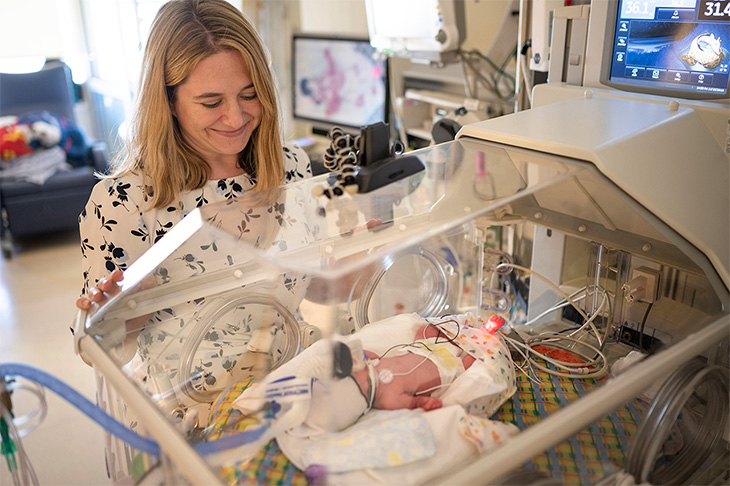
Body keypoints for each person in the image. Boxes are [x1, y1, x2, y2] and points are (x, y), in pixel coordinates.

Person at [75, 0, 314, 421]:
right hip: (188, 413)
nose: (236, 116)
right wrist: (127, 309)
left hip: (290, 381)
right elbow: (96, 353)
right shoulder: (125, 202)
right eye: (211, 102)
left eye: (249, 94)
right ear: (167, 101)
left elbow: (314, 284)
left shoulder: (290, 165)